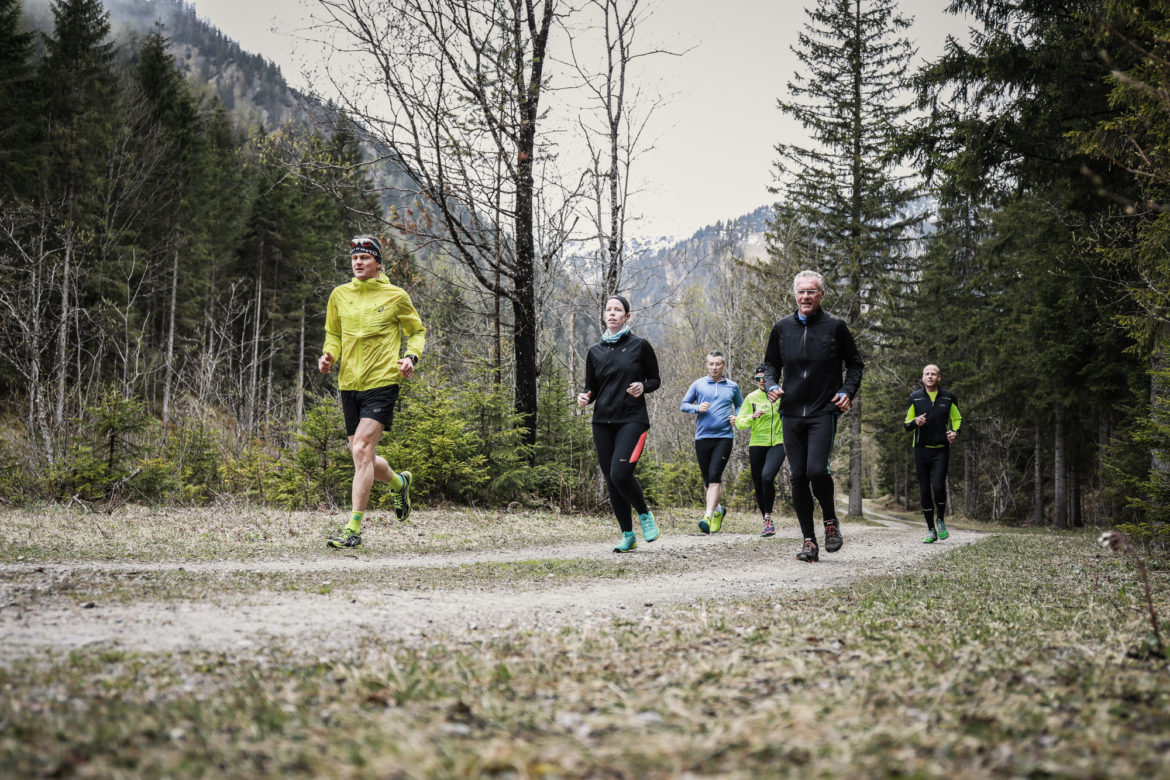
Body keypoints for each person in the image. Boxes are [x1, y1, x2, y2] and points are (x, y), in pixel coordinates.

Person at [319, 235, 426, 549]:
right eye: (354, 257)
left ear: (378, 262)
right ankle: (399, 482)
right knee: (360, 455)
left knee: (363, 449)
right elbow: (333, 334)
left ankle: (353, 529)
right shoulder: (339, 295)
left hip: (382, 381)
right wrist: (328, 356)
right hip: (349, 383)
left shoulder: (395, 296)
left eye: (365, 257)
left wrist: (411, 357)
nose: (358, 262)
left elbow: (416, 331)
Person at [763, 270, 863, 562]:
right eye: (801, 292)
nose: (806, 297)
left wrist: (847, 392)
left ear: (821, 295)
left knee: (816, 470)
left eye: (812, 291)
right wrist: (771, 384)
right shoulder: (782, 328)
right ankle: (809, 541)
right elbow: (771, 364)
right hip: (791, 411)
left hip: (823, 411)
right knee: (797, 476)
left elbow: (855, 365)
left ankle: (830, 521)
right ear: (794, 295)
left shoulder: (835, 327)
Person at [578, 294, 661, 553]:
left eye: (618, 310)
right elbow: (591, 389)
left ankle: (645, 515)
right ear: (604, 315)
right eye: (608, 309)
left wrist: (643, 386)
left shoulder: (640, 345)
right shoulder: (595, 351)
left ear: (627, 316)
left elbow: (655, 379)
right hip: (602, 421)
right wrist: (584, 397)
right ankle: (628, 535)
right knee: (611, 479)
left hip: (632, 420)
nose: (612, 313)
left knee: (621, 473)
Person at [680, 351, 743, 534]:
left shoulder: (732, 386)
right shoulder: (698, 384)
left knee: (715, 476)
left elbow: (740, 404)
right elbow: (684, 405)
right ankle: (718, 510)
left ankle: (707, 516)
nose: (714, 367)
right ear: (706, 365)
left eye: (718, 364)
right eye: (711, 364)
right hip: (702, 437)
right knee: (707, 480)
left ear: (724, 365)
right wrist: (697, 408)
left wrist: (736, 416)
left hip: (724, 437)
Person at [904, 363, 962, 543]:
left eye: (933, 374)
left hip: (941, 451)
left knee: (938, 487)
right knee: (924, 490)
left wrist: (955, 432)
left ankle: (941, 520)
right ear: (923, 378)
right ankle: (930, 529)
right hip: (921, 450)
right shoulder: (915, 398)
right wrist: (916, 422)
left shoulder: (948, 397)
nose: (930, 376)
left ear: (939, 378)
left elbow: (957, 418)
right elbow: (906, 424)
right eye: (927, 374)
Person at [735, 364, 785, 537]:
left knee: (767, 476)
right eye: (758, 379)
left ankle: (769, 516)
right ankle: (767, 522)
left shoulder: (781, 395)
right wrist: (752, 416)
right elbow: (739, 423)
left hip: (779, 442)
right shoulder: (751, 398)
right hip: (757, 444)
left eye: (765, 378)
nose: (762, 381)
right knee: (758, 482)